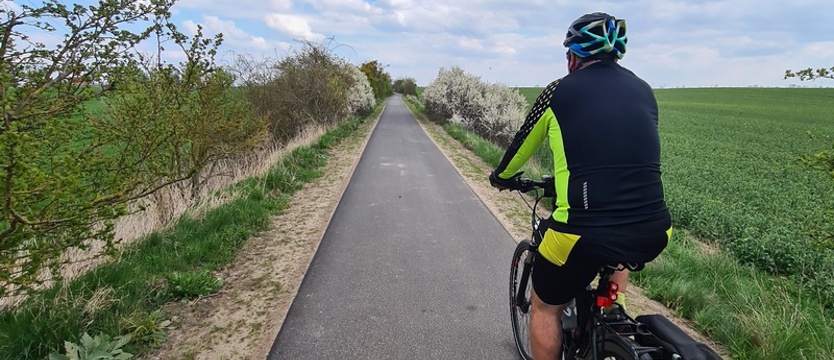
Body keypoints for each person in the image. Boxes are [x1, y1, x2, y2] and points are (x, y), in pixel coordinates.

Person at [489, 12, 672, 360]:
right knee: (617, 244)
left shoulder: (558, 91)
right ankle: (610, 309)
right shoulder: (644, 91)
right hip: (657, 229)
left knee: (545, 307)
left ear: (572, 56)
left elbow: (521, 145)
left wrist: (501, 177)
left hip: (580, 233)